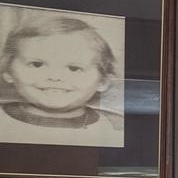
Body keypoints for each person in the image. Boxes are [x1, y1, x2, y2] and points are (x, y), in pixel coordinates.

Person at [0, 13, 125, 146]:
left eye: (74, 68)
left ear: (103, 81)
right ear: (8, 72)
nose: (55, 77)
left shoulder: (116, 129)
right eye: (37, 64)